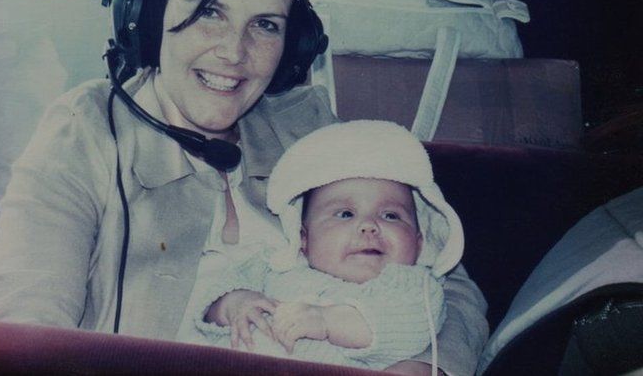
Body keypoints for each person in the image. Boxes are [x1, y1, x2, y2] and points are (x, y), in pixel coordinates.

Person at [0, 0, 488, 375]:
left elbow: (450, 283)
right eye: (208, 12)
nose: (233, 53)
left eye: (264, 25)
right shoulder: (85, 130)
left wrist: (423, 366)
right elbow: (22, 324)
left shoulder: (307, 127)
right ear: (150, 15)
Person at [180, 120, 465, 372]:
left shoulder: (412, 285)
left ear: (419, 242)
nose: (369, 226)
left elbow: (410, 327)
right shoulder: (278, 266)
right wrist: (232, 303)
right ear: (303, 239)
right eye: (345, 214)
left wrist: (328, 322)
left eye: (391, 215)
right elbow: (217, 287)